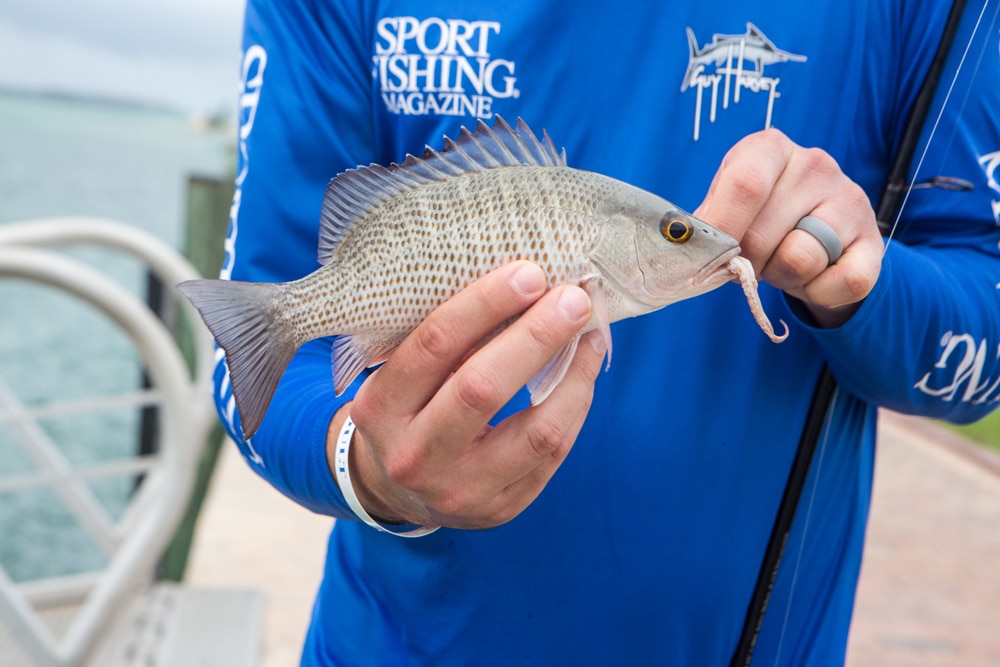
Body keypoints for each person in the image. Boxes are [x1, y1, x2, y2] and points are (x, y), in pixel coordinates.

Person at [212, 1, 1000, 664]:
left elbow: (985, 326)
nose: (701, 246)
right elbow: (255, 345)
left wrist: (864, 283)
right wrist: (360, 460)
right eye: (677, 234)